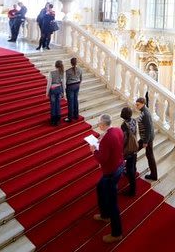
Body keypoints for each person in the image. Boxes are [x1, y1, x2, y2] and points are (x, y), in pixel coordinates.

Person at [90, 114, 124, 244]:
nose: (98, 125)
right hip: (118, 166)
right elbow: (117, 144)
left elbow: (102, 159)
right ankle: (104, 215)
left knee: (113, 203)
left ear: (103, 125)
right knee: (99, 187)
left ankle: (117, 233)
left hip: (111, 172)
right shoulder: (117, 130)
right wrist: (101, 142)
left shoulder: (107, 138)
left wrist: (94, 150)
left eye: (99, 123)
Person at [135, 97, 157, 180]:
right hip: (146, 138)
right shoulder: (144, 111)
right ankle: (154, 175)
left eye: (138, 105)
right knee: (148, 155)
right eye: (136, 105)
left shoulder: (145, 114)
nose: (136, 106)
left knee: (150, 156)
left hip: (147, 139)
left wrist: (145, 142)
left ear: (143, 104)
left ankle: (154, 175)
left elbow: (148, 128)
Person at [120, 107, 138, 196]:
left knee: (129, 169)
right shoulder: (134, 120)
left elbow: (124, 139)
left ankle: (132, 190)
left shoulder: (124, 125)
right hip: (134, 146)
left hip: (128, 148)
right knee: (133, 164)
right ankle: (134, 172)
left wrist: (122, 149)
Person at [45, 60, 65, 126]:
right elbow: (63, 83)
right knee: (58, 104)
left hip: (53, 90)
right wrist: (63, 92)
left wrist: (47, 92)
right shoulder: (62, 72)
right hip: (59, 89)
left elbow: (49, 84)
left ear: (55, 65)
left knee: (53, 105)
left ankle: (53, 120)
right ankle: (58, 119)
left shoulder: (51, 73)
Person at [64, 57, 82, 122]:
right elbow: (81, 79)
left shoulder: (67, 71)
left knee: (70, 102)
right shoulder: (80, 70)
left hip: (70, 86)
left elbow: (65, 80)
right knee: (75, 100)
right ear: (76, 63)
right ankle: (76, 115)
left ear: (71, 63)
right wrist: (78, 84)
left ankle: (70, 118)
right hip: (77, 85)